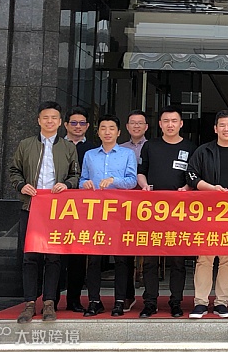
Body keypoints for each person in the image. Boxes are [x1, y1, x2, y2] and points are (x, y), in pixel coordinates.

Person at [9, 101, 80, 323]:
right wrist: (21, 185)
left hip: (57, 210)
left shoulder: (68, 147)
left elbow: (75, 175)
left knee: (53, 257)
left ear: (60, 122)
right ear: (39, 120)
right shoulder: (26, 145)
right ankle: (30, 302)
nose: (50, 121)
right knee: (30, 256)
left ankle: (49, 302)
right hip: (31, 207)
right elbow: (14, 171)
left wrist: (66, 185)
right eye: (45, 117)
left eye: (54, 118)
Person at [186, 110, 228, 319]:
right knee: (205, 258)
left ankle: (222, 302)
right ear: (215, 129)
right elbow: (191, 175)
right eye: (222, 125)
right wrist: (211, 189)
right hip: (206, 213)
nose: (226, 129)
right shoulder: (203, 151)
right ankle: (200, 302)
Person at [136, 105, 196, 318]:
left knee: (178, 260)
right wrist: (144, 186)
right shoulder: (150, 146)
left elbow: (194, 176)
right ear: (160, 124)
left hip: (180, 212)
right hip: (152, 211)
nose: (170, 125)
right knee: (150, 259)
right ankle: (150, 301)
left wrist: (187, 188)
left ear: (181, 124)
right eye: (166, 121)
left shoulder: (190, 147)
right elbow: (141, 172)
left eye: (174, 121)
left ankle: (176, 301)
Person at [80, 114, 138, 317]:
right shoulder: (90, 155)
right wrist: (85, 184)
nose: (107, 132)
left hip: (120, 212)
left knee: (121, 258)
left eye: (111, 128)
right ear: (97, 132)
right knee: (94, 258)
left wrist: (114, 180)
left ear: (119, 132)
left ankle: (120, 300)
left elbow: (132, 181)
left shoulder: (128, 154)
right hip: (95, 212)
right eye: (103, 128)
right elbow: (82, 179)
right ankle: (94, 301)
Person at [59, 106, 97, 313]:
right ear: (65, 125)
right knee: (55, 255)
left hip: (84, 209)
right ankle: (51, 298)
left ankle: (74, 299)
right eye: (73, 123)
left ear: (88, 126)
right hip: (57, 208)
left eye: (82, 123)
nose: (78, 127)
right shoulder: (56, 146)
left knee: (78, 256)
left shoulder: (92, 150)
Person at [118, 109, 149, 312]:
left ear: (146, 127)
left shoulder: (153, 147)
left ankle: (150, 297)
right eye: (133, 123)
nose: (136, 126)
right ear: (127, 127)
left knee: (150, 252)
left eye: (140, 123)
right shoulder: (119, 149)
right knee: (125, 252)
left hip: (150, 208)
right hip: (124, 208)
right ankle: (127, 295)